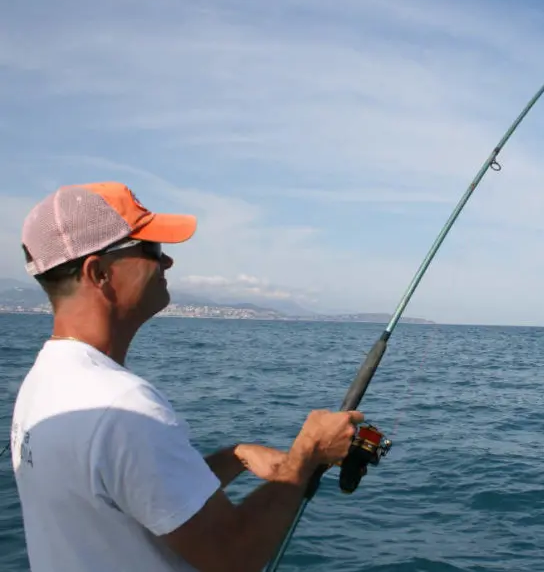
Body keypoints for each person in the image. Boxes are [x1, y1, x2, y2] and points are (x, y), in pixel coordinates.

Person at [9, 181, 363, 572]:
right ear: (100, 273)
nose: (167, 263)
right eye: (152, 250)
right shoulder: (121, 407)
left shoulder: (43, 384)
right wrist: (306, 458)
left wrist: (234, 458)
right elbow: (233, 557)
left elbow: (133, 493)